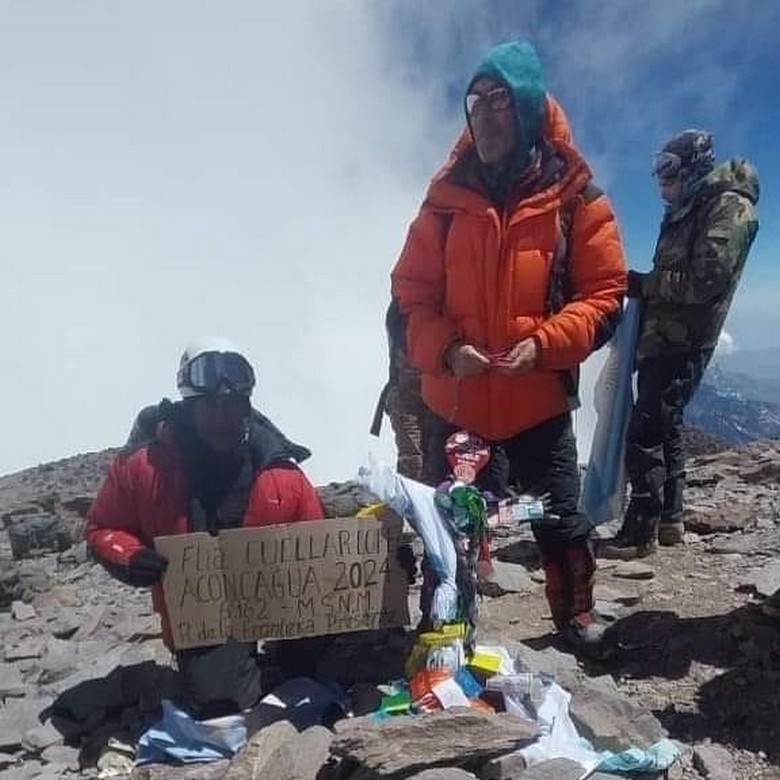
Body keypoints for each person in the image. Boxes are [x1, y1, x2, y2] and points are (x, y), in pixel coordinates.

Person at [391, 40, 627, 657]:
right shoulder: (443, 203)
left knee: (559, 518)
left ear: (525, 107)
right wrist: (445, 350)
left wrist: (545, 345)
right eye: (477, 102)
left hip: (537, 401)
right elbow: (410, 296)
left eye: (500, 99)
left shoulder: (577, 199)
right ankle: (445, 631)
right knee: (451, 527)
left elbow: (606, 296)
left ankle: (575, 615)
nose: (487, 114)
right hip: (460, 401)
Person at [87, 338, 324, 715]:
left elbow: (322, 546)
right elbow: (104, 528)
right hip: (203, 618)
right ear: (190, 405)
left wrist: (382, 566)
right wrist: (130, 557)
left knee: (332, 654)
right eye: (212, 405)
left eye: (232, 406)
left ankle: (285, 661)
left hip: (279, 603)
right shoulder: (143, 468)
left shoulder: (281, 474)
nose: (222, 416)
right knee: (221, 701)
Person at [602, 130, 759, 559]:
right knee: (666, 424)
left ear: (693, 166)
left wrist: (643, 284)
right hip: (665, 339)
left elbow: (704, 283)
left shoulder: (728, 208)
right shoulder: (687, 208)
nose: (661, 181)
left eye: (668, 170)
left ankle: (640, 533)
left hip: (685, 341)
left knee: (647, 430)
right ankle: (670, 519)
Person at [370, 299, 427, 481]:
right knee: (413, 459)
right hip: (406, 396)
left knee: (427, 457)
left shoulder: (403, 311)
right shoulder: (401, 313)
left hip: (425, 395)